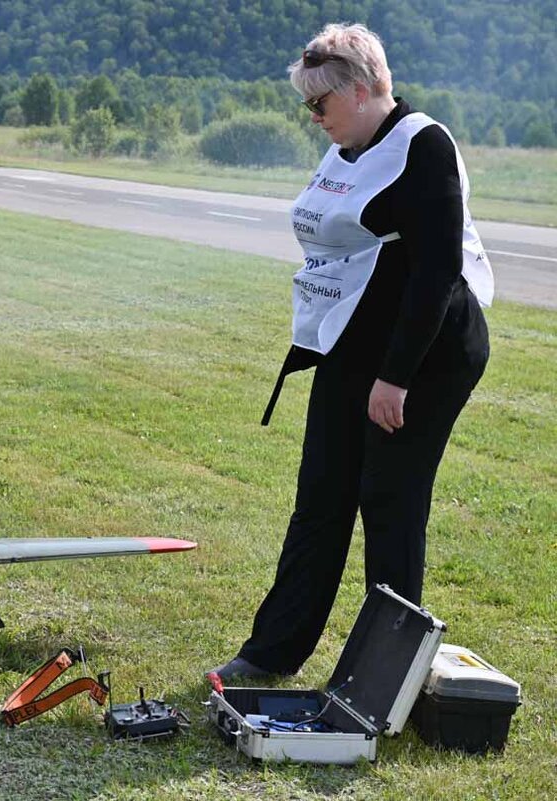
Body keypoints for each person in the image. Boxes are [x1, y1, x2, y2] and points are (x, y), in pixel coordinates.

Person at [210, 23, 493, 679]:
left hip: (428, 350)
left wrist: (395, 378)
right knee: (321, 494)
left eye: (322, 104)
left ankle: (382, 672)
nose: (314, 118)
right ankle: (270, 652)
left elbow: (437, 272)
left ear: (363, 90)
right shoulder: (343, 145)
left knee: (389, 497)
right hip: (353, 341)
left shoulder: (422, 147)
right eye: (308, 105)